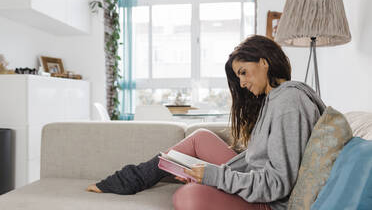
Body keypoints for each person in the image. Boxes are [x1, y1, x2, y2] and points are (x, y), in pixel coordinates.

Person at [86, 35, 326, 210]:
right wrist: (205, 173)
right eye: (238, 76)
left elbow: (277, 184)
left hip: (269, 203)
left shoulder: (289, 102)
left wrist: (214, 177)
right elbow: (261, 160)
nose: (241, 83)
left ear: (264, 62)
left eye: (243, 72)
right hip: (257, 185)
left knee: (187, 197)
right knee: (200, 137)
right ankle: (133, 178)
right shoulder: (274, 99)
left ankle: (130, 179)